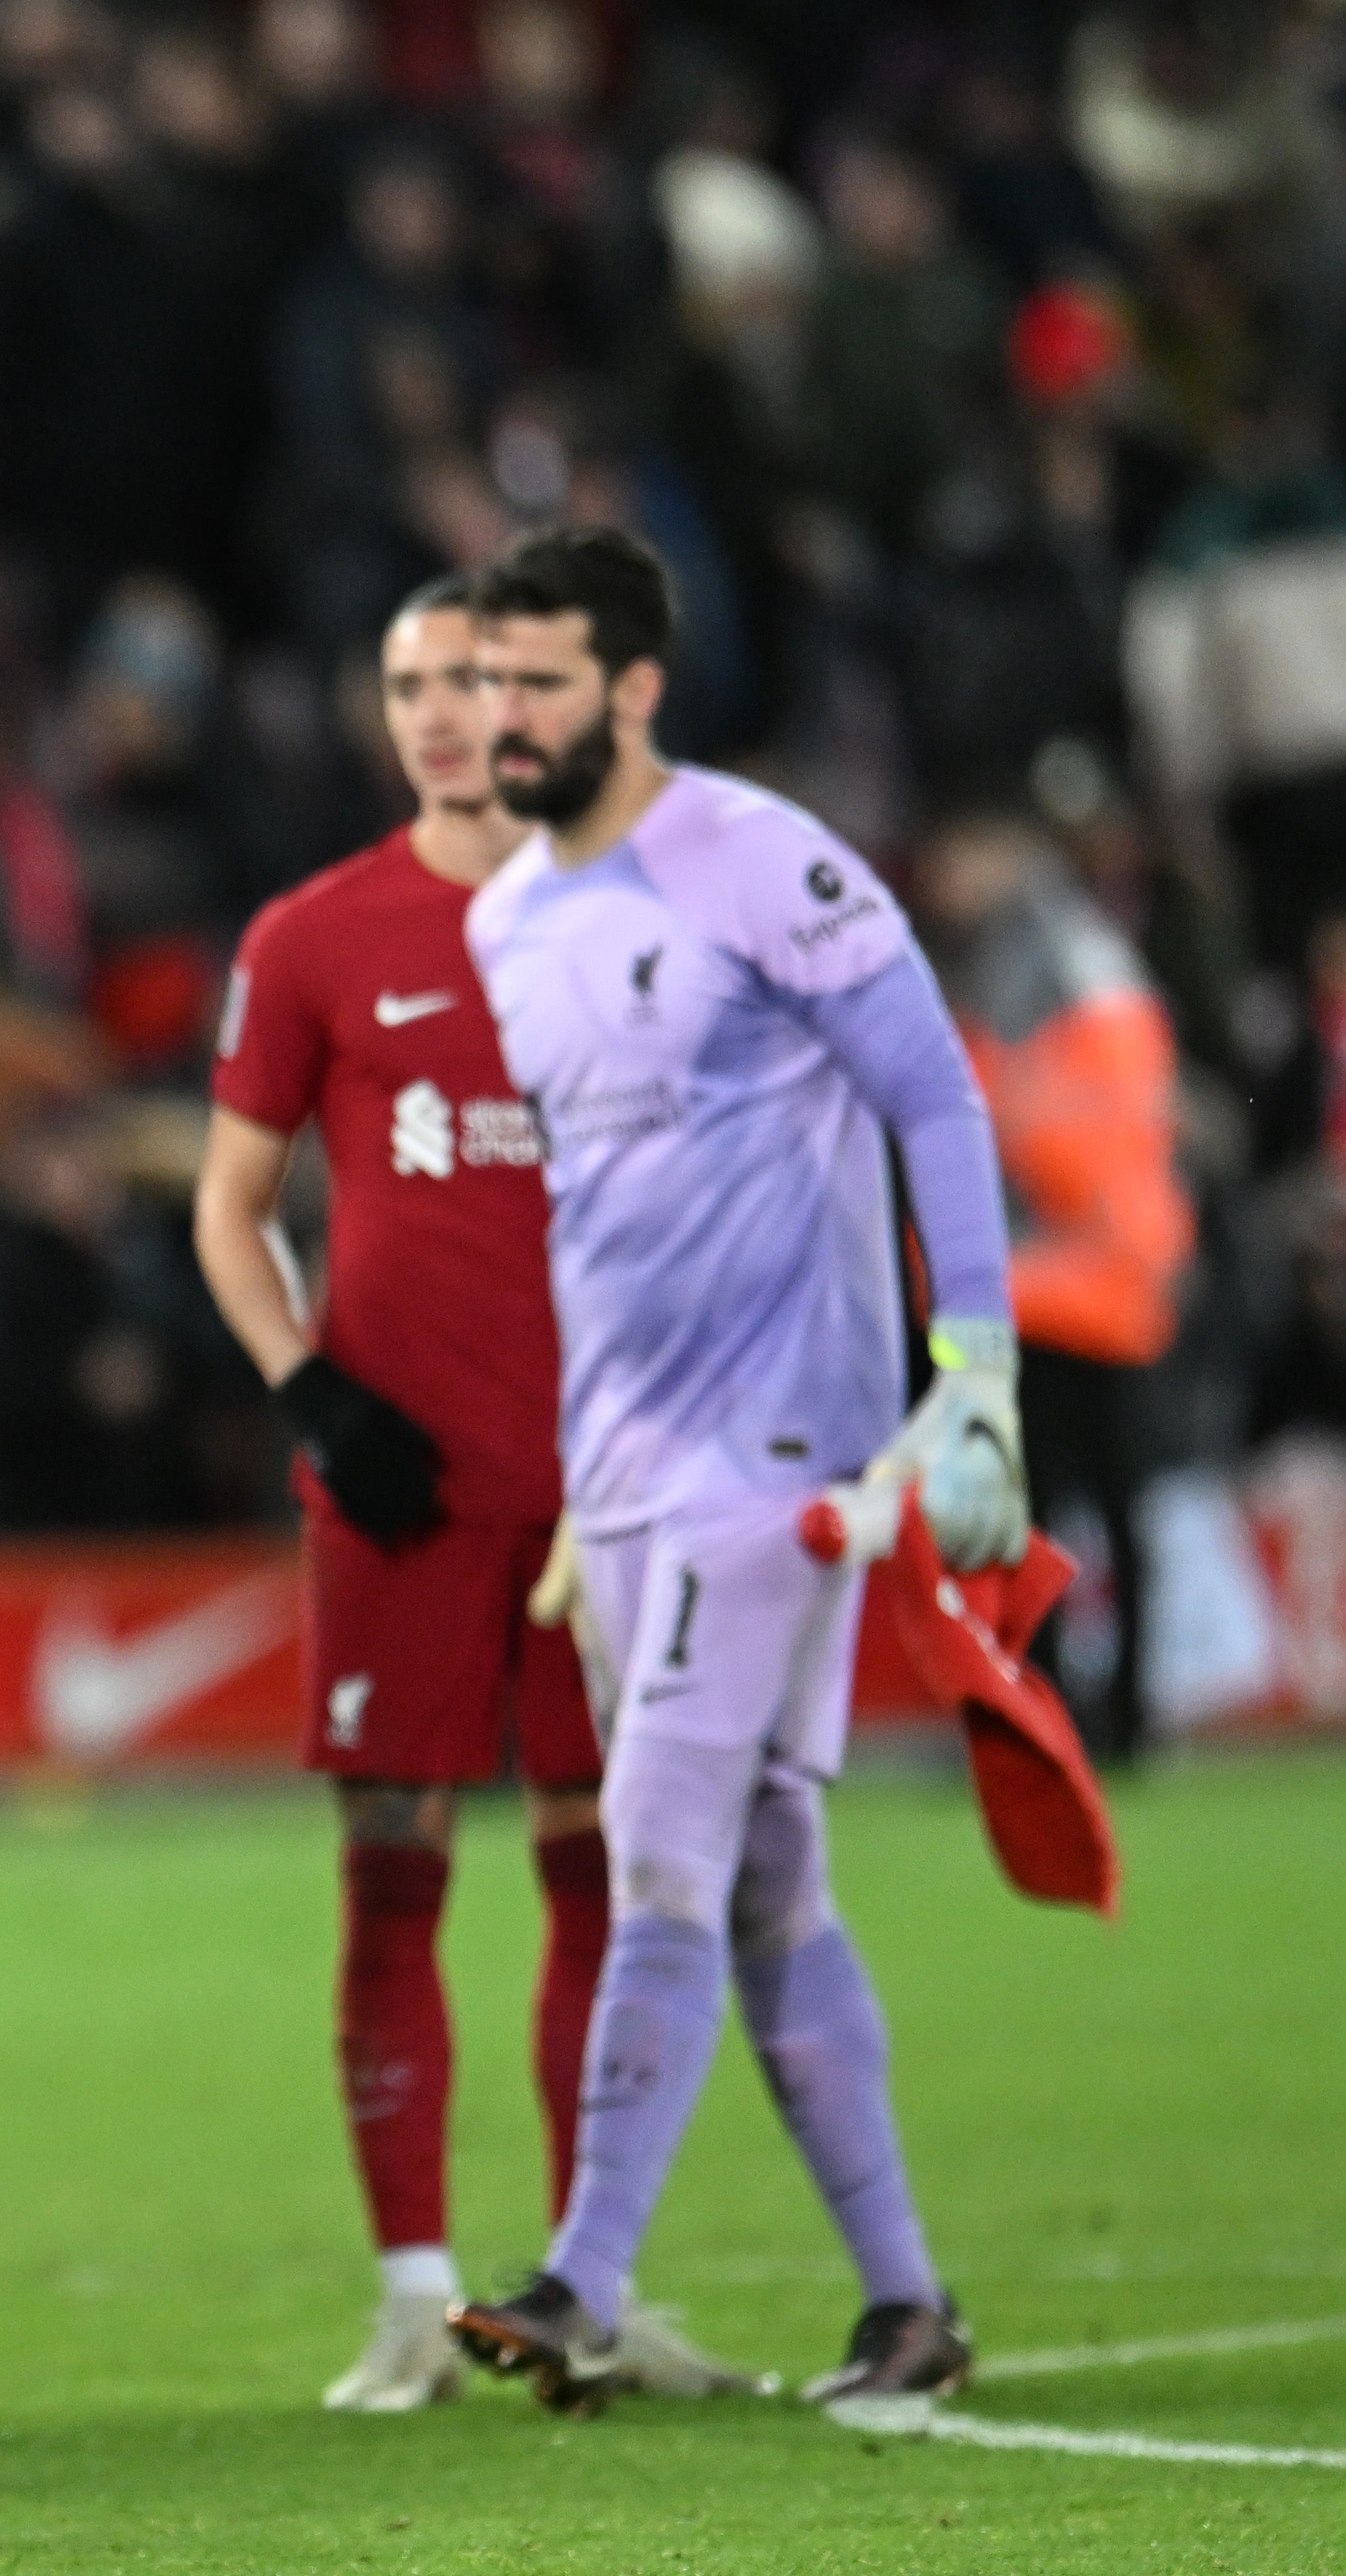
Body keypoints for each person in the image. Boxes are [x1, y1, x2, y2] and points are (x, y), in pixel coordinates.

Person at [444, 526, 1008, 2410]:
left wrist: (976, 1364)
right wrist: (567, 1492)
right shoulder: (506, 920)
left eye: (531, 682)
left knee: (661, 1860)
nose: (496, 718)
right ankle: (906, 2303)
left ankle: (584, 2272)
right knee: (769, 1882)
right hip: (623, 1470)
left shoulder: (764, 862)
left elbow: (932, 1091)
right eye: (480, 681)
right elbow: (599, 1221)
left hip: (771, 1454)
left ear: (632, 686)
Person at [192, 577, 744, 2415]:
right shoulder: (316, 934)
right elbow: (227, 1203)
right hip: (401, 1496)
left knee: (614, 1881)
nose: (441, 713)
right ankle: (414, 2298)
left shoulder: (640, 921)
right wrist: (310, 1386)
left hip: (608, 1493)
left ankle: (590, 2277)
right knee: (390, 1882)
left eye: (477, 680)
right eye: (409, 681)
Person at [922, 812, 1191, 1766]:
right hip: (1064, 1295)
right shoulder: (1042, 961)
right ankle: (1075, 1710)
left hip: (1078, 1293)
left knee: (1055, 1514)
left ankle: (1086, 1710)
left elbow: (1070, 1134)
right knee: (1059, 1516)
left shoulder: (1062, 970)